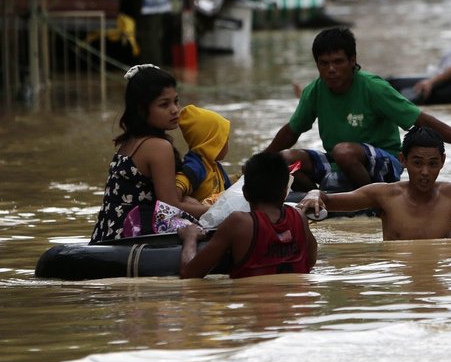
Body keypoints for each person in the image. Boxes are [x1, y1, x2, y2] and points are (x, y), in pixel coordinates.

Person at [264, 27, 451, 192]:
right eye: (324, 64)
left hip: (384, 163)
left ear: (352, 60)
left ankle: (374, 202)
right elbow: (291, 131)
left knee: (344, 151)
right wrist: (261, 162)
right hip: (338, 162)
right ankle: (319, 197)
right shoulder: (314, 91)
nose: (331, 70)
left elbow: (423, 121)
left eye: (338, 62)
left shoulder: (373, 88)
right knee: (284, 160)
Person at [298, 125, 451, 240]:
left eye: (433, 163)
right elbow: (327, 199)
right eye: (417, 163)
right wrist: (314, 194)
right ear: (403, 160)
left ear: (442, 162)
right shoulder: (384, 195)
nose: (425, 172)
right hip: (399, 275)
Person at [90, 64, 208, 244]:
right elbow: (171, 206)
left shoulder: (130, 141)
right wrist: (217, 211)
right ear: (141, 109)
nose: (175, 110)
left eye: (176, 101)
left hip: (106, 233)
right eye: (164, 104)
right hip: (130, 235)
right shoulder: (158, 146)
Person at [178, 152, 318, 279]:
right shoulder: (299, 216)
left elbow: (189, 274)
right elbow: (311, 261)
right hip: (297, 303)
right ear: (284, 193)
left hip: (255, 304)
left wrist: (190, 238)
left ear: (245, 193)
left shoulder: (238, 222)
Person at [175, 105, 232, 205]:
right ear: (211, 142)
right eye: (224, 139)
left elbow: (230, 191)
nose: (227, 143)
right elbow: (175, 193)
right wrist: (185, 200)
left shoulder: (215, 166)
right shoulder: (195, 167)